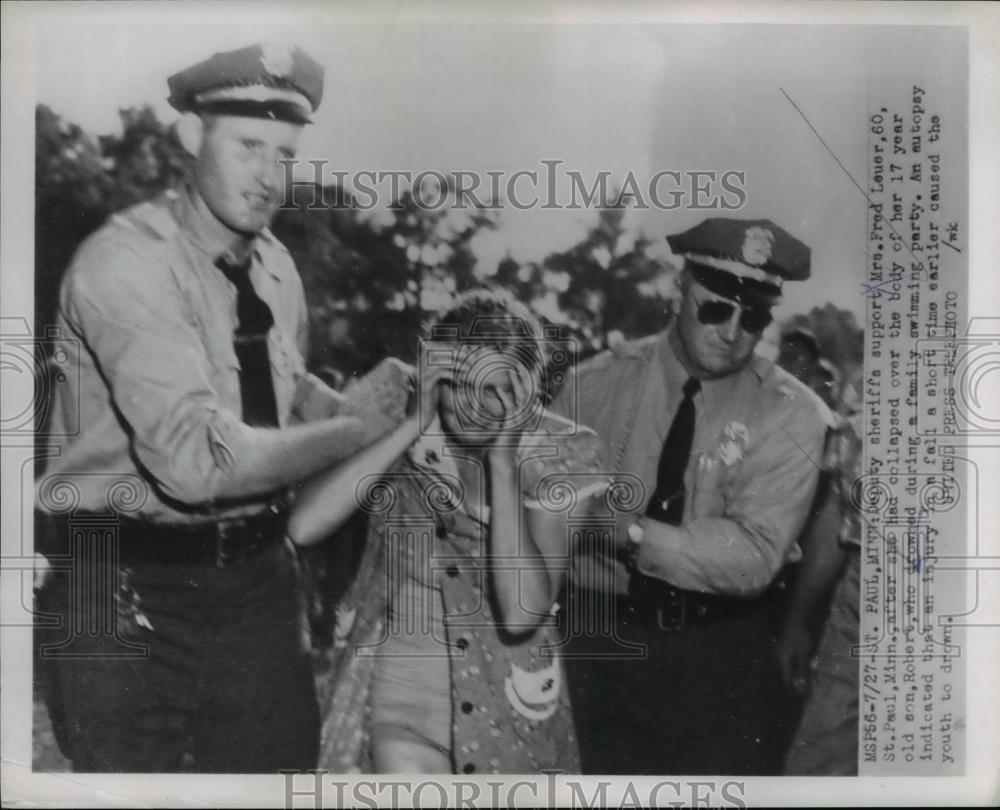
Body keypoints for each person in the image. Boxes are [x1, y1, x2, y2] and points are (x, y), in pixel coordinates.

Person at [33, 41, 412, 773]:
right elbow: (197, 462)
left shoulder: (273, 265)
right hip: (122, 579)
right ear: (188, 136)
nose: (270, 177)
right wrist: (354, 428)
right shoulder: (127, 261)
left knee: (274, 783)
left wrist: (368, 405)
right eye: (248, 147)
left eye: (287, 154)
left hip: (256, 578)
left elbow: (276, 391)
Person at [552, 218, 833, 775]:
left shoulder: (793, 414)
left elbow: (752, 556)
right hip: (592, 643)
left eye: (753, 318)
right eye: (715, 308)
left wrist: (625, 531)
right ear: (679, 290)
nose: (732, 332)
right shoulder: (592, 386)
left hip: (719, 657)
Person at [289, 288, 607, 774]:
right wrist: (413, 423)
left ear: (526, 390)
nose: (472, 407)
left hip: (508, 709)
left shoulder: (563, 450)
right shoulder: (399, 402)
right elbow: (305, 525)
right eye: (456, 383)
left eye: (493, 389)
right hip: (401, 699)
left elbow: (524, 613)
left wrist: (503, 461)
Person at [778, 368, 863, 775]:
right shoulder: (875, 376)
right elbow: (839, 509)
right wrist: (800, 619)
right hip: (867, 602)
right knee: (815, 772)